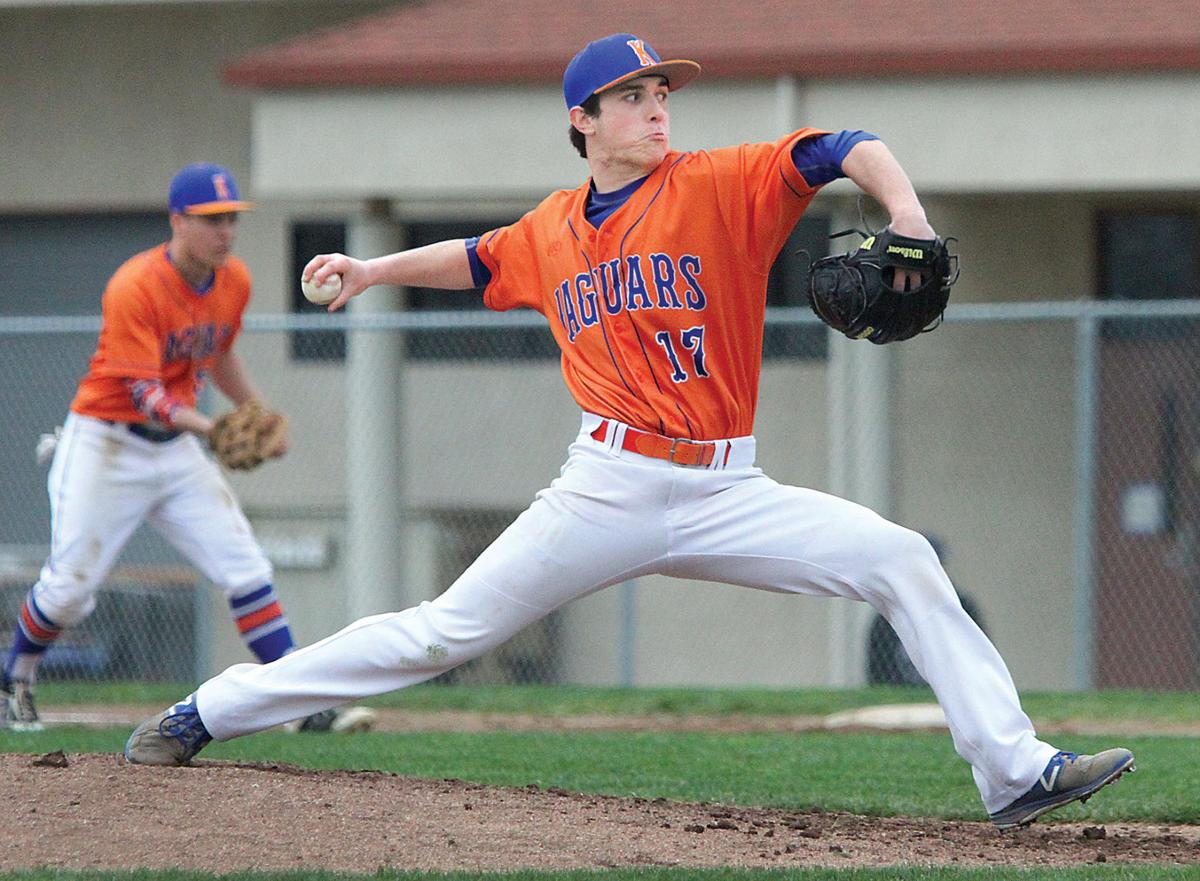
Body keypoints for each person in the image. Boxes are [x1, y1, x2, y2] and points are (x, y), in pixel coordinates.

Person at [126, 36, 1133, 829]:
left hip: (730, 488)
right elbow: (476, 259)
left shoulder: (718, 184)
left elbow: (839, 146)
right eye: (634, 94)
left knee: (901, 558)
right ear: (584, 119)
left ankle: (1013, 773)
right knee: (440, 632)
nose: (658, 105)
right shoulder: (555, 228)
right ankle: (208, 709)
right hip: (604, 486)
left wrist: (905, 208)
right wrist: (374, 270)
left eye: (663, 92)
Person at [1, 163, 372, 736]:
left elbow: (218, 354)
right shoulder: (136, 284)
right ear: (178, 221)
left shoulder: (234, 281)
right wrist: (211, 428)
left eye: (230, 220)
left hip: (173, 451)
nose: (225, 232)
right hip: (106, 442)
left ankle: (300, 704)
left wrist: (260, 412)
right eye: (211, 220)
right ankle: (15, 677)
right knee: (71, 587)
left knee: (245, 567)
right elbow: (143, 391)